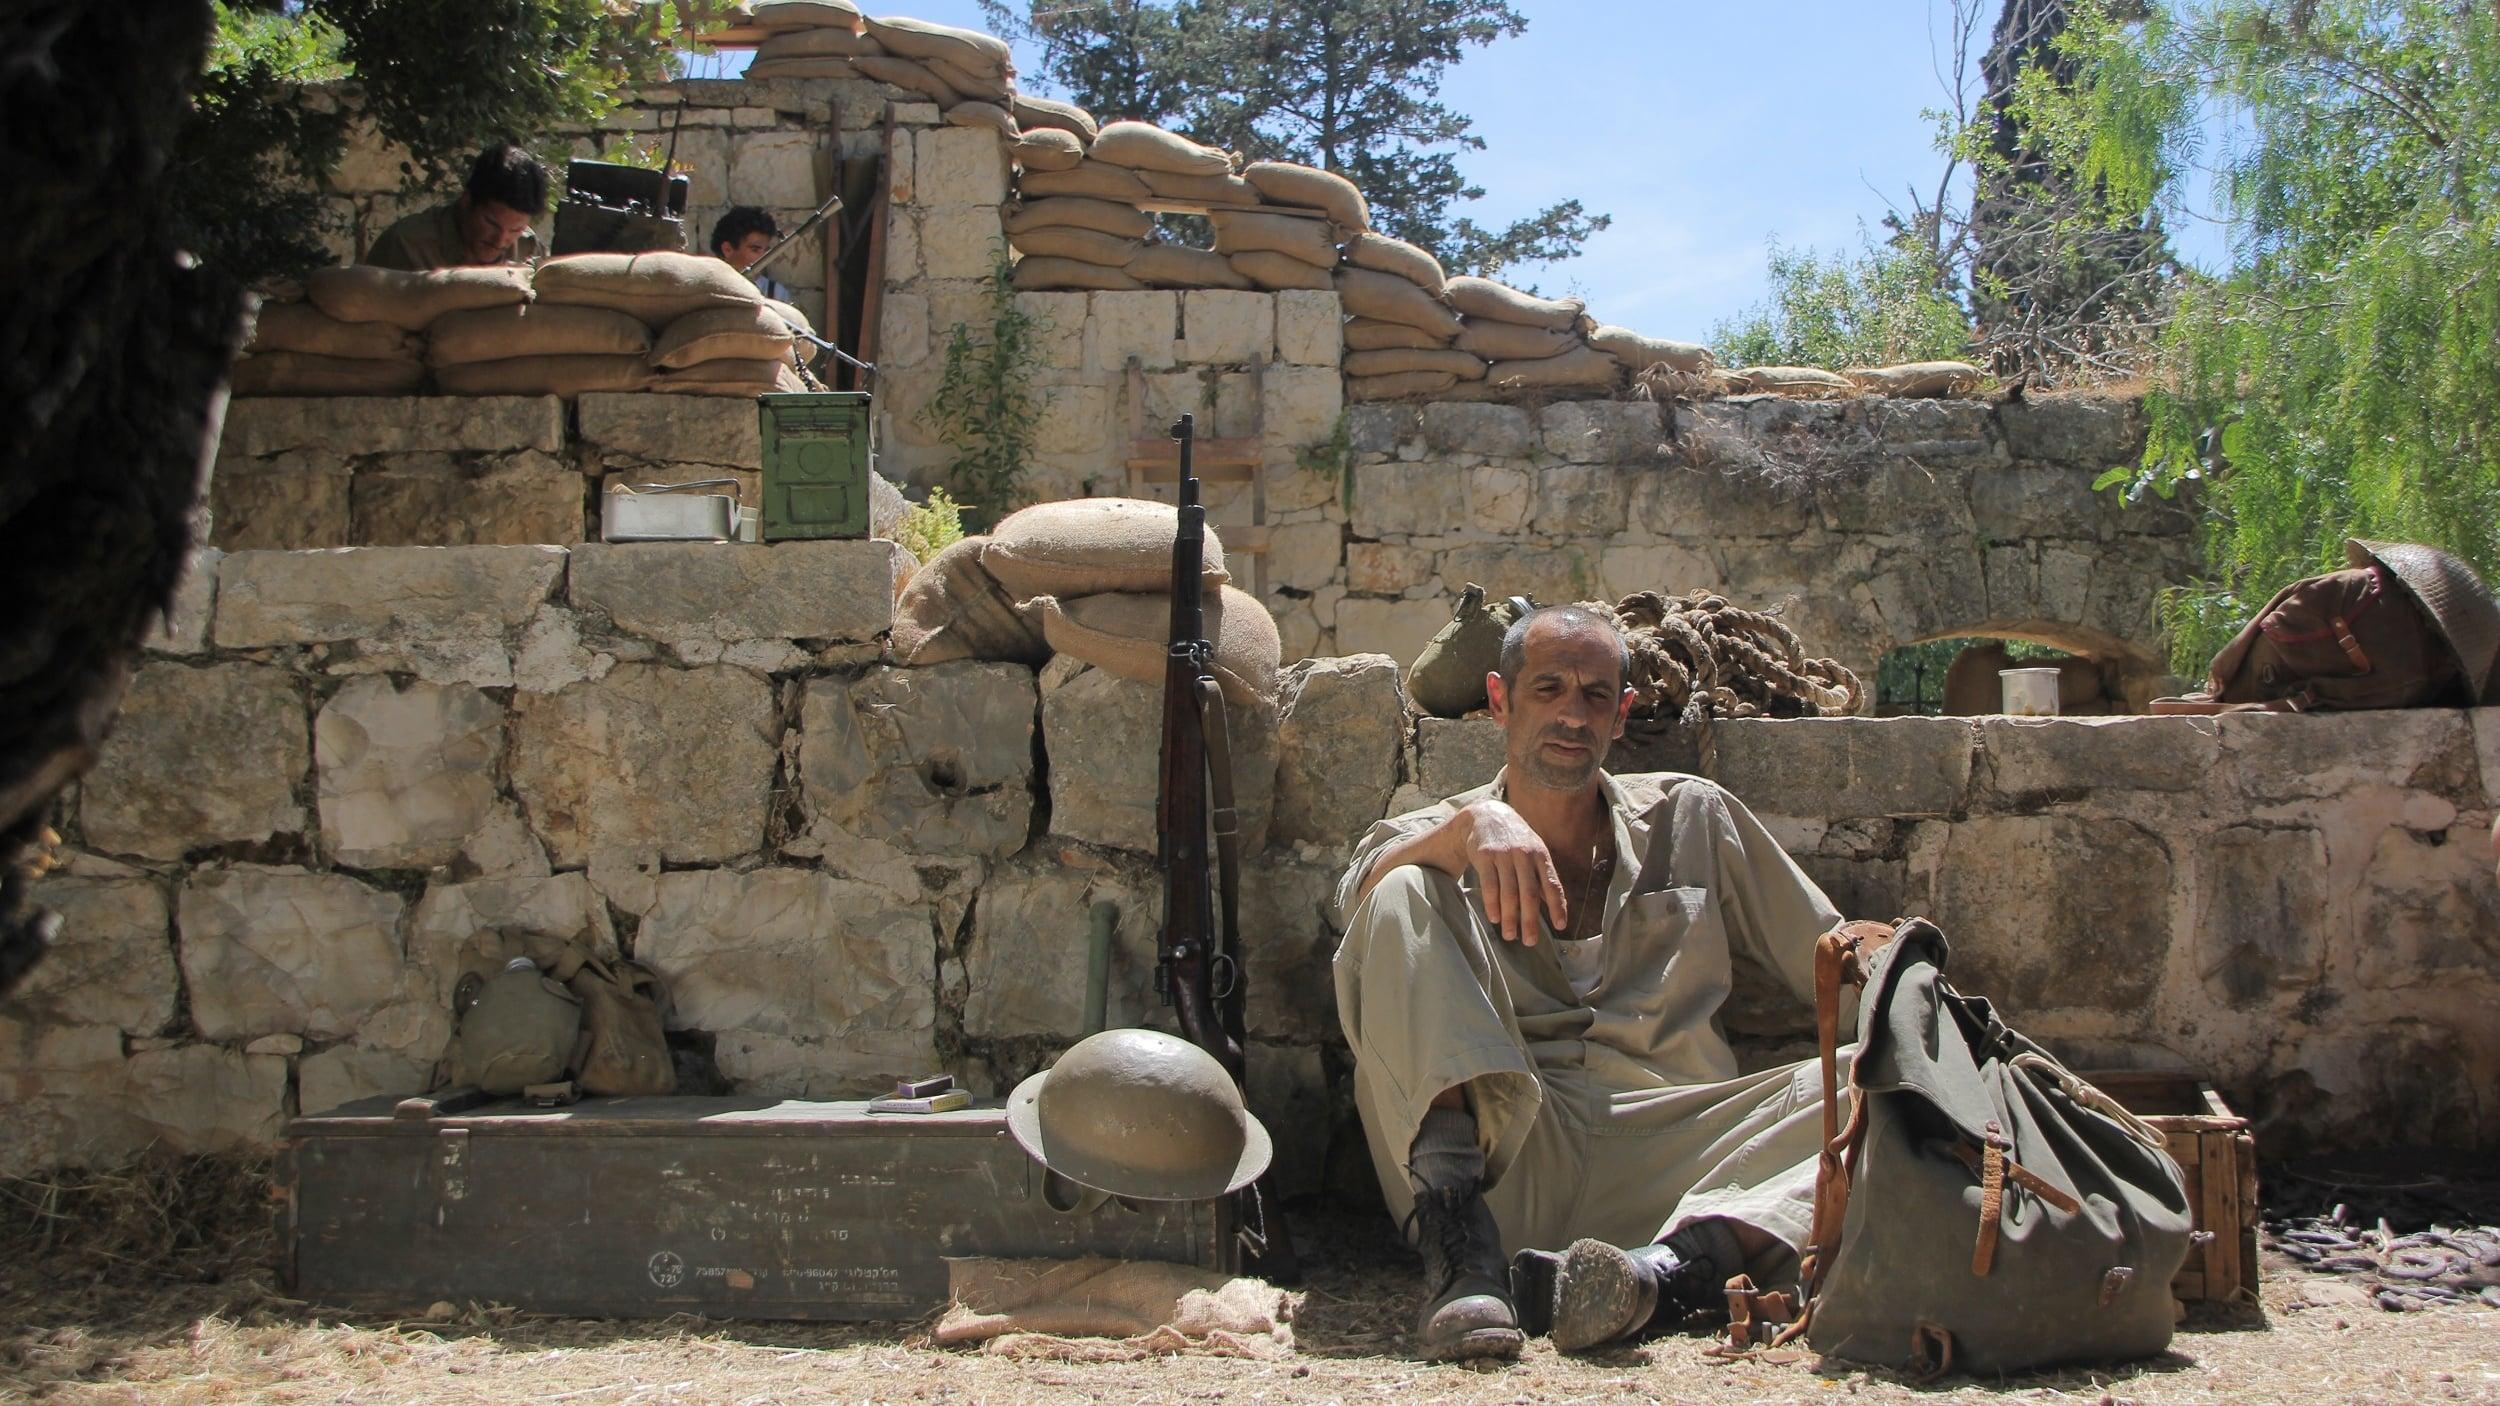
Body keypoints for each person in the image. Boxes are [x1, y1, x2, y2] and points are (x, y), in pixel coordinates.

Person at [1332, 605, 1847, 1362]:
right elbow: (1353, 903)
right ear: (1499, 700)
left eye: (1595, 696)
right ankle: (1465, 1262)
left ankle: (1657, 1280)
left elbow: (1838, 963)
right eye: (1549, 689)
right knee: (1402, 892)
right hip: (1504, 1165)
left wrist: (1925, 1009)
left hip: (1682, 1167)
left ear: (1622, 715)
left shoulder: (1691, 817)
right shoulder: (1438, 832)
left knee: (1876, 1089)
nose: (1573, 715)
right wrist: (1467, 832)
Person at [364, 143, 548, 271]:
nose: (500, 241)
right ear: (467, 200)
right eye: (492, 224)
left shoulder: (528, 248)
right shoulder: (407, 245)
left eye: (516, 230)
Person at [709, 206, 792, 302]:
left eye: (766, 250)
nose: (763, 257)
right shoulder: (706, 290)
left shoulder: (776, 293)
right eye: (755, 250)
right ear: (727, 249)